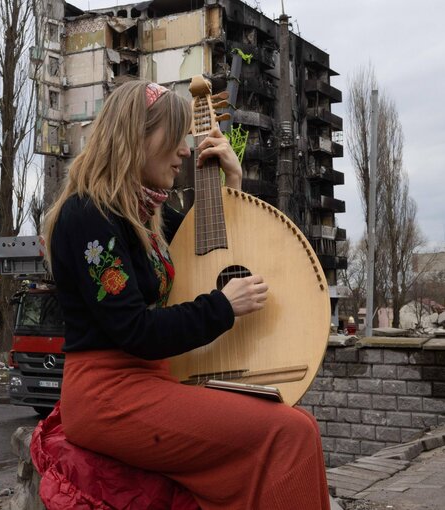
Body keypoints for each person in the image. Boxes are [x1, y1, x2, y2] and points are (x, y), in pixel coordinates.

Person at [39, 80, 330, 509]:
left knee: (299, 422)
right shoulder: (88, 216)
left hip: (149, 381)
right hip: (108, 394)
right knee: (290, 433)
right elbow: (134, 330)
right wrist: (223, 307)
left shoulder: (148, 214)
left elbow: (218, 247)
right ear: (138, 135)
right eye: (175, 138)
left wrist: (232, 180)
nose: (185, 151)